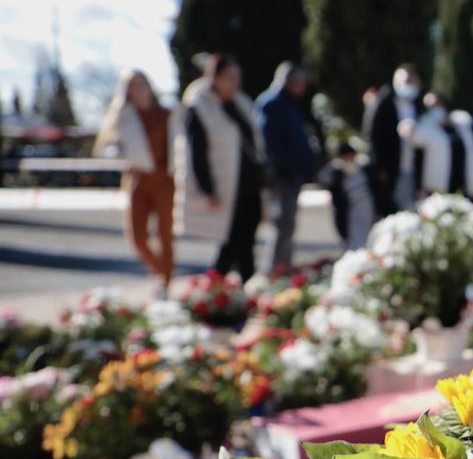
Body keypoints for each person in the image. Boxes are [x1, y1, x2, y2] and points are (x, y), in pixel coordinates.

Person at [175, 54, 265, 281]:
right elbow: (197, 152)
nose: (235, 83)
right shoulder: (200, 107)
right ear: (214, 78)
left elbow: (253, 144)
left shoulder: (241, 105)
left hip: (249, 185)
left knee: (243, 243)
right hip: (226, 187)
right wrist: (207, 188)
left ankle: (224, 291)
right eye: (229, 77)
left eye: (237, 77)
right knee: (234, 243)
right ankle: (220, 291)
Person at [94, 69, 176, 295]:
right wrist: (115, 151)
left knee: (164, 234)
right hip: (138, 179)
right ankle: (162, 271)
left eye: (142, 84)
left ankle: (165, 282)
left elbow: (178, 148)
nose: (138, 90)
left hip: (164, 180)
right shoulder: (124, 117)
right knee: (137, 237)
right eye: (133, 86)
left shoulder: (166, 115)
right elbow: (108, 145)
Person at [256, 61, 318, 271]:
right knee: (281, 225)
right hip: (281, 176)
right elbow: (269, 144)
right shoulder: (272, 103)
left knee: (288, 226)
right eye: (299, 81)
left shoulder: (291, 103)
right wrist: (276, 173)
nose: (303, 86)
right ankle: (274, 270)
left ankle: (283, 267)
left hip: (292, 175)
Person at [363, 64, 424, 216]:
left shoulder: (417, 105)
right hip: (389, 170)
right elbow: (372, 135)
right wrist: (380, 167)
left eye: (412, 81)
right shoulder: (383, 102)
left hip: (409, 169)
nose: (408, 85)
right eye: (405, 81)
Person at [321, 142, 375, 252]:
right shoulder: (337, 172)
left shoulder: (365, 168)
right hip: (351, 216)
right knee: (355, 246)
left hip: (369, 212)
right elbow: (324, 179)